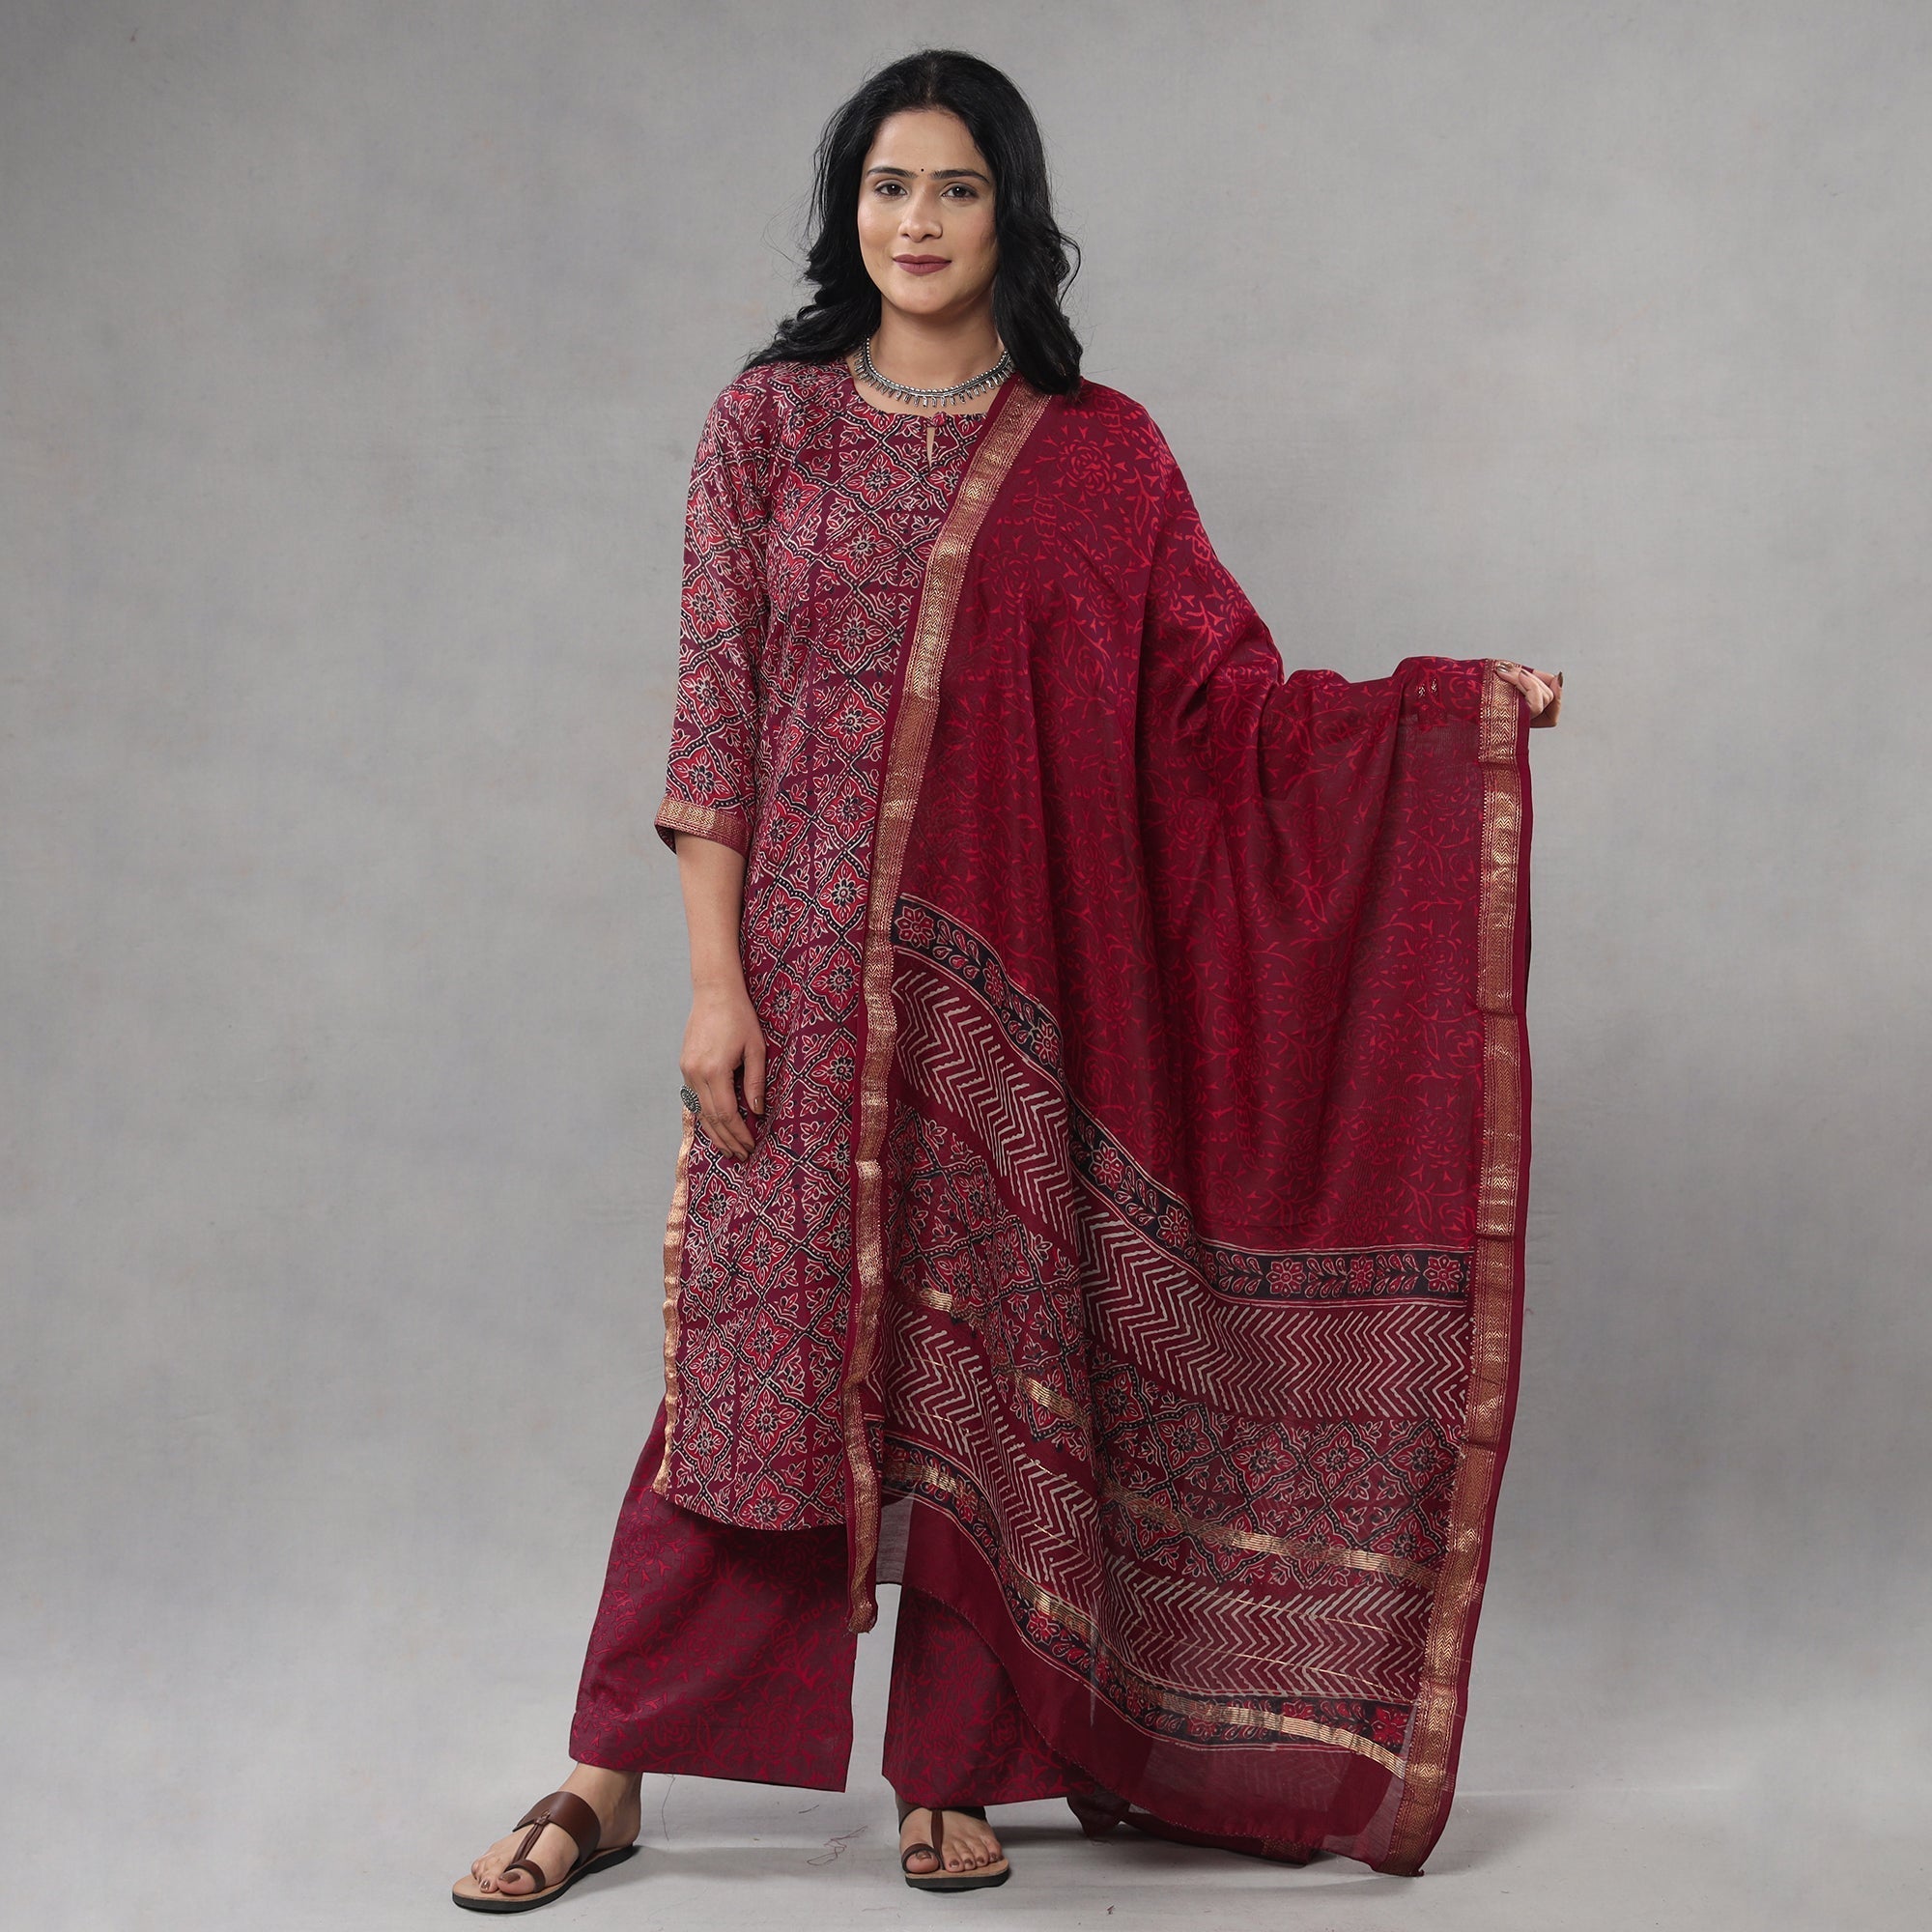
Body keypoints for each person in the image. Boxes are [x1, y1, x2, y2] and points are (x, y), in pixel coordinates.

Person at [452, 45, 1560, 1915]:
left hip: (1012, 1009)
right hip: (804, 994)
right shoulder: (770, 427)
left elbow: (1221, 712)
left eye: (955, 188)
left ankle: (951, 1772)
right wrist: (717, 986)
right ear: (849, 209)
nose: (918, 222)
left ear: (1009, 214)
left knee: (995, 1376)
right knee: (752, 1381)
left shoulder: (1100, 453)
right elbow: (715, 719)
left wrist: (1446, 722)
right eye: (889, 185)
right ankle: (609, 1770)